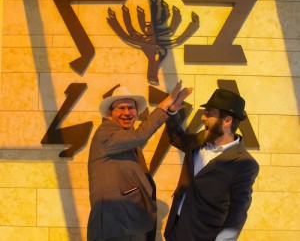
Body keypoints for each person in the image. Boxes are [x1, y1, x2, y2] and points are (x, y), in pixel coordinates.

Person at [87, 81, 191, 241]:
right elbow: (140, 136)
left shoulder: (126, 140)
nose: (127, 112)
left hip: (131, 225)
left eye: (131, 108)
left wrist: (170, 112)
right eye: (121, 108)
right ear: (109, 114)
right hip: (116, 227)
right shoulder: (106, 131)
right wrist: (165, 106)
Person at [164, 88, 259, 241]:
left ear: (227, 120)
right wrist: (172, 112)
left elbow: (238, 210)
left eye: (209, 113)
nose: (202, 117)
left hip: (204, 236)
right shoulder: (200, 139)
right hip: (175, 230)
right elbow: (177, 137)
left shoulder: (245, 163)